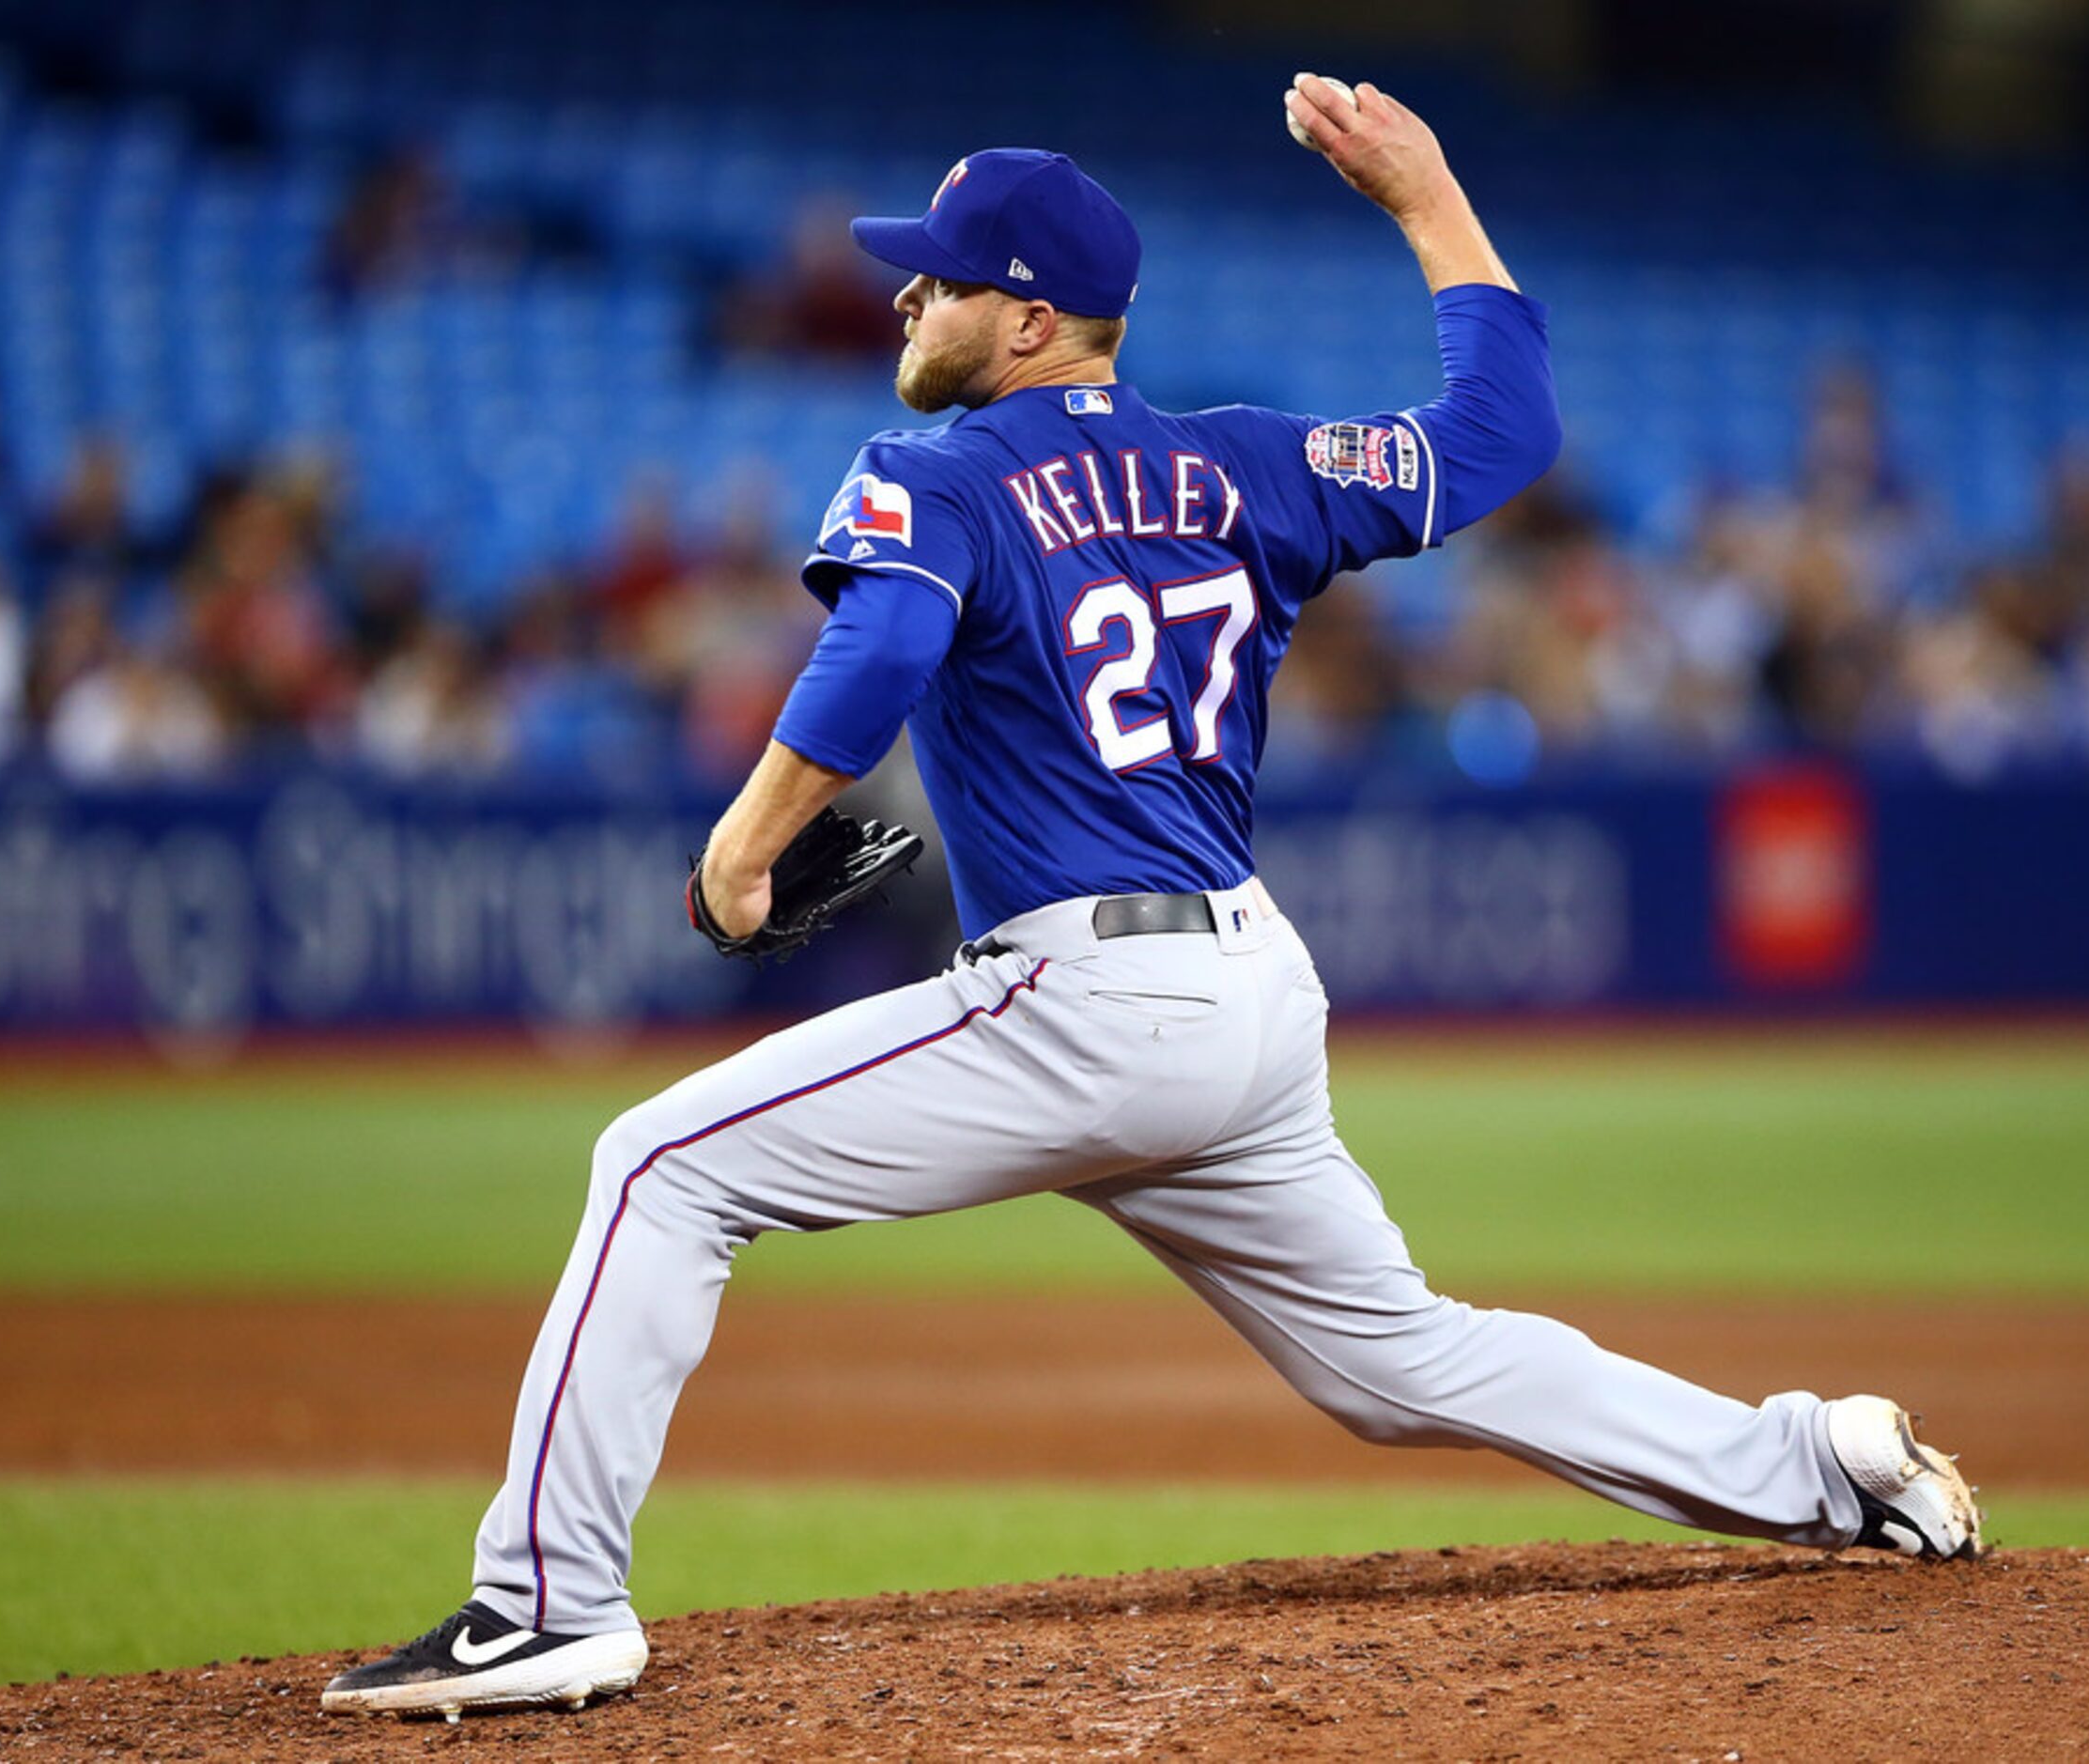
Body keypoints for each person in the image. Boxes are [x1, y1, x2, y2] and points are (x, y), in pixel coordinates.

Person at [322, 76, 1980, 1720]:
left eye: (946, 275)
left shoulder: (943, 471)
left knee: (659, 1165)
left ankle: (546, 1604)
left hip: (1088, 1000)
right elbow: (1502, 435)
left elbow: (883, 641)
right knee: (1401, 1359)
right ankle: (1813, 1461)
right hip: (1248, 998)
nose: (909, 293)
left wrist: (745, 848)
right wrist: (1427, 197)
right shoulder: (1244, 463)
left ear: (1034, 321)